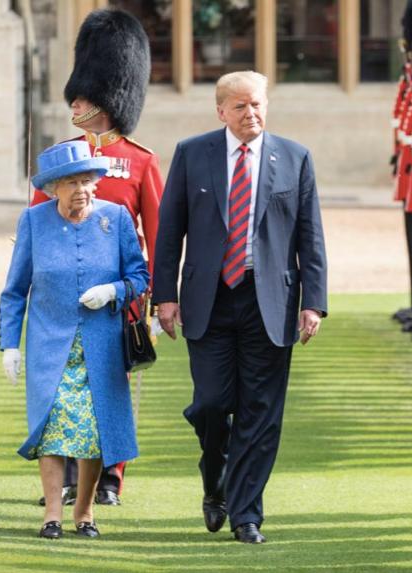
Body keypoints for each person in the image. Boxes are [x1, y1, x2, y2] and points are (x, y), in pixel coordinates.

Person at [153, 71, 328, 544]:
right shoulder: (193, 154)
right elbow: (170, 231)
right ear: (220, 111)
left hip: (269, 300)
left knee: (260, 411)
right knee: (211, 403)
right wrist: (163, 296)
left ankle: (246, 513)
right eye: (240, 107)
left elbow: (310, 238)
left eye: (257, 105)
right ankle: (217, 482)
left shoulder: (294, 157)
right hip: (208, 298)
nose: (251, 114)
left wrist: (313, 302)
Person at [29, 6, 161, 508]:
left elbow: (160, 236)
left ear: (107, 98)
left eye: (87, 94)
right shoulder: (61, 157)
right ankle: (63, 477)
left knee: (112, 388)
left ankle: (109, 477)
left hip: (117, 300)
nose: (76, 101)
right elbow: (36, 229)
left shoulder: (141, 161)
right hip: (63, 296)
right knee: (63, 384)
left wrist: (159, 297)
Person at [0, 140, 149, 539]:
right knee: (51, 426)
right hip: (49, 345)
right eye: (71, 182)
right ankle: (51, 514)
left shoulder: (116, 219)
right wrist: (10, 345)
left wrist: (113, 291)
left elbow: (139, 277)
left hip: (101, 345)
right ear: (53, 189)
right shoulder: (33, 221)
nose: (82, 189)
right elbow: (15, 290)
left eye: (87, 180)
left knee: (93, 431)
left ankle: (85, 513)